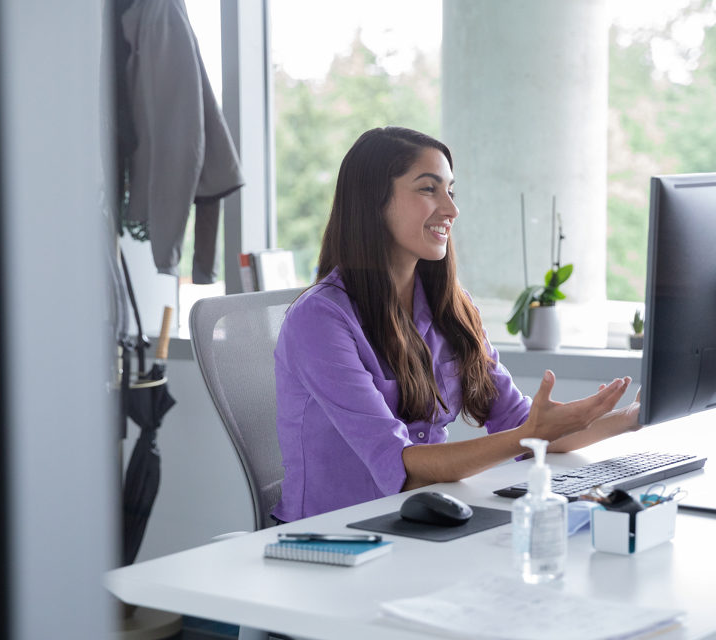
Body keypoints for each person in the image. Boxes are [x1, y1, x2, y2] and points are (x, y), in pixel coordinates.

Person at [272, 126, 639, 523]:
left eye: (451, 191)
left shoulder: (450, 308)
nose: (451, 209)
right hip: (334, 536)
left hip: (420, 522)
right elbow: (403, 467)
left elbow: (523, 427)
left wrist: (635, 416)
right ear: (372, 202)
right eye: (429, 189)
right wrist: (531, 433)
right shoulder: (320, 320)